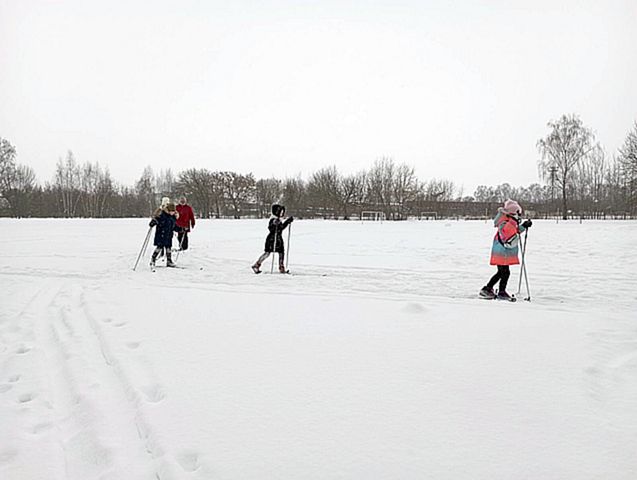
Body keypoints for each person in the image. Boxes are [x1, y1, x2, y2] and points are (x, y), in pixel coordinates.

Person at [479, 199, 532, 300]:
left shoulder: (509, 222)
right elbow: (509, 235)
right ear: (512, 213)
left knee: (501, 272)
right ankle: (499, 291)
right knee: (504, 272)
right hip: (501, 252)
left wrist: (523, 226)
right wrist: (518, 225)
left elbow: (514, 231)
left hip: (502, 252)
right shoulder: (505, 223)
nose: (519, 216)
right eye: (518, 213)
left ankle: (488, 289)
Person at [251, 203, 294, 274]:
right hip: (272, 239)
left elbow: (281, 228)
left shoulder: (279, 220)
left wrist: (287, 222)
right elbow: (271, 228)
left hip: (279, 239)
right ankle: (256, 265)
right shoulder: (273, 219)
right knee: (267, 253)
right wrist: (274, 224)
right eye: (281, 212)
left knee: (281, 252)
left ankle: (281, 267)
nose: (282, 213)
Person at [149, 202, 181, 268]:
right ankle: (153, 260)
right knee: (159, 247)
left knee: (168, 248)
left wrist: (180, 229)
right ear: (168, 210)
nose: (173, 213)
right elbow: (155, 220)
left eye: (174, 211)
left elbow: (174, 226)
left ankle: (169, 261)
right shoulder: (162, 215)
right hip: (161, 235)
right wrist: (153, 222)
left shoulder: (173, 217)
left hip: (169, 235)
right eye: (172, 211)